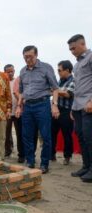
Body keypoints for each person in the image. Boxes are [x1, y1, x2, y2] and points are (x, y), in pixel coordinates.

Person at [15, 45, 59, 174]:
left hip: (43, 105)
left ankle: (44, 163)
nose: (28, 59)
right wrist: (19, 106)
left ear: (36, 55)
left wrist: (54, 104)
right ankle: (30, 161)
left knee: (46, 136)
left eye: (30, 57)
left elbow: (55, 88)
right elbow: (22, 92)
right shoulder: (22, 71)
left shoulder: (46, 68)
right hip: (27, 106)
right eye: (25, 57)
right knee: (27, 135)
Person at [67, 34, 92, 182]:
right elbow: (77, 87)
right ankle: (86, 166)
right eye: (70, 49)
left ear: (82, 44)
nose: (72, 51)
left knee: (89, 137)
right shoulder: (76, 65)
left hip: (88, 104)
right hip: (77, 105)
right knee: (81, 136)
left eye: (73, 48)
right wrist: (72, 107)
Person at [51, 60, 75, 165]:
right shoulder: (59, 81)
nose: (58, 72)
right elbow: (54, 92)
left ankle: (67, 156)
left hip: (67, 111)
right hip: (56, 109)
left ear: (67, 70)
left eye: (59, 70)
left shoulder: (73, 80)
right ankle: (51, 155)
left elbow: (67, 94)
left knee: (67, 135)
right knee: (52, 133)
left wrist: (54, 90)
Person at [4, 64, 24, 162]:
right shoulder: (3, 82)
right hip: (6, 112)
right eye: (8, 71)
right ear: (5, 72)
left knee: (19, 133)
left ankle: (21, 154)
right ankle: (7, 151)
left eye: (12, 71)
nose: (10, 73)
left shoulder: (18, 82)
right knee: (6, 134)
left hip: (18, 112)